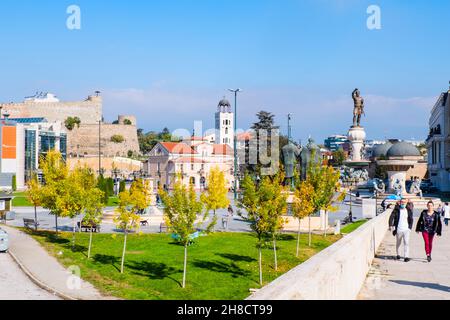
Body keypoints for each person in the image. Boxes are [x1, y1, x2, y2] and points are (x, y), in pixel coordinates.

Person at [389, 198, 414, 262]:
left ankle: (406, 256)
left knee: (406, 243)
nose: (403, 203)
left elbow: (411, 219)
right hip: (399, 230)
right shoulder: (396, 210)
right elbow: (391, 217)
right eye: (402, 202)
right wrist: (390, 225)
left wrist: (410, 228)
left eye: (404, 202)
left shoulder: (408, 210)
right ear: (400, 203)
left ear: (406, 203)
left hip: (406, 230)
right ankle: (398, 254)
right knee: (398, 243)